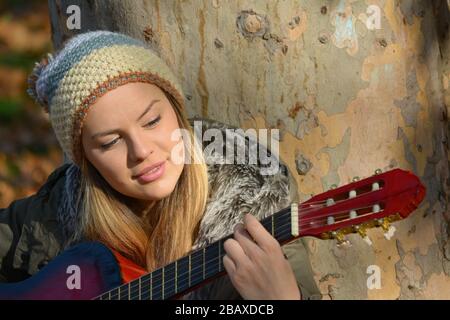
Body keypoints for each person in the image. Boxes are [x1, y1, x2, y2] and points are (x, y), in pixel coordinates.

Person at [0, 30, 319, 300]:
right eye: (110, 142)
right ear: (86, 161)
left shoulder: (260, 210)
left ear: (177, 111)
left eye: (152, 121)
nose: (141, 151)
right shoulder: (54, 214)